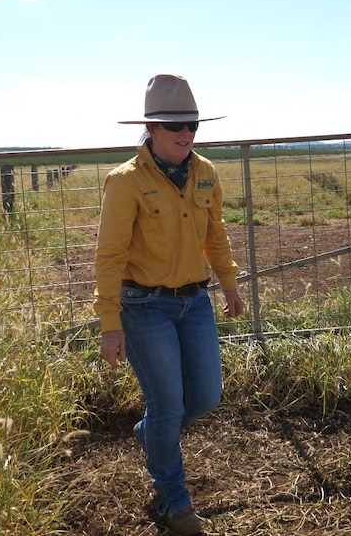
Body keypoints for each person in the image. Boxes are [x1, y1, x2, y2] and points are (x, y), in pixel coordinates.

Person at [94, 74, 244, 535]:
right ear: (151, 130)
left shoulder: (205, 173)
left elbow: (215, 234)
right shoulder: (125, 182)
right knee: (166, 406)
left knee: (204, 398)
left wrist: (230, 283)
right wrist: (110, 323)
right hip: (143, 307)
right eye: (174, 124)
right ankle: (174, 504)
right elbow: (110, 254)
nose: (186, 133)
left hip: (195, 301)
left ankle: (150, 437)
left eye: (192, 124)